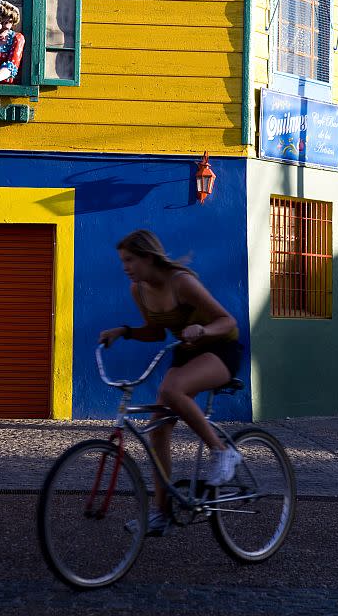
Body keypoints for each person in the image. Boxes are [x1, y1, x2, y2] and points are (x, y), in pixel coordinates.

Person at [98, 229, 242, 537]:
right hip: (185, 352)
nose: (125, 267)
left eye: (130, 260)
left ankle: (222, 452)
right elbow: (155, 331)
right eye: (122, 261)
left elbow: (228, 321)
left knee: (170, 390)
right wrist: (124, 331)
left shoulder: (181, 282)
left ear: (148, 258)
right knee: (159, 428)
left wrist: (201, 331)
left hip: (219, 348)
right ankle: (161, 514)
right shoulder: (138, 289)